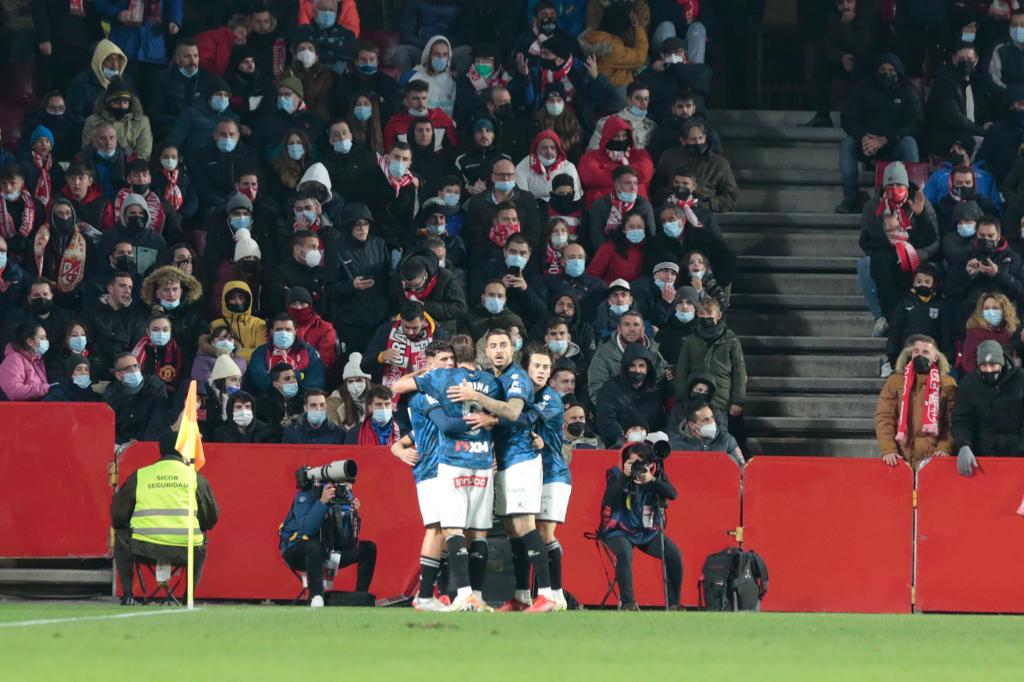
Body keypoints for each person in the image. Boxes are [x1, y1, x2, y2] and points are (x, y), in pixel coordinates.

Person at [446, 330, 559, 612]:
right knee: (511, 529)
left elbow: (513, 411)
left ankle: (548, 595)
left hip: (522, 459)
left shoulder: (517, 377)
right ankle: (523, 595)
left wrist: (477, 398)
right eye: (493, 346)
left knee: (525, 526)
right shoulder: (495, 378)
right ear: (486, 351)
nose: (498, 350)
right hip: (506, 461)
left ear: (513, 350)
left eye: (504, 345)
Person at [111, 430, 219, 606]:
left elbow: (118, 514)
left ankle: (128, 595)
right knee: (202, 537)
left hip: (143, 549)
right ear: (184, 451)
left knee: (121, 534)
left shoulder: (141, 475)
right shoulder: (195, 477)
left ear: (160, 450)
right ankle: (188, 597)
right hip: (185, 550)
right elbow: (211, 518)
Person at [389, 340, 457, 611]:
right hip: (431, 470)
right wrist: (399, 451)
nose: (449, 364)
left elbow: (416, 434)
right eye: (443, 359)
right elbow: (396, 387)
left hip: (448, 468)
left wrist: (398, 448)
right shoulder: (424, 393)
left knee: (446, 531)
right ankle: (425, 595)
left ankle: (437, 593)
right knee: (437, 528)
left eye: (452, 359)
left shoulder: (443, 395)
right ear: (429, 363)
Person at [599, 442, 682, 610]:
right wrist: (625, 476)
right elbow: (609, 499)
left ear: (649, 463)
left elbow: (672, 494)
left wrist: (651, 480)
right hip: (619, 529)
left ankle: (674, 603)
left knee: (674, 555)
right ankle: (628, 602)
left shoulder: (655, 475)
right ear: (626, 462)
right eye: (633, 463)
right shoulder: (616, 474)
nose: (638, 467)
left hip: (647, 531)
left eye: (641, 463)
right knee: (624, 553)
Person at [836, 53, 923, 213]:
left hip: (894, 143)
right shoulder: (862, 88)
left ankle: (911, 198)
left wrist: (885, 139)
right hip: (865, 142)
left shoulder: (908, 92)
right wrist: (862, 136)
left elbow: (915, 123)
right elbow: (848, 117)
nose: (887, 73)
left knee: (909, 143)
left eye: (891, 70)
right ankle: (850, 198)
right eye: (883, 69)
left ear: (898, 72)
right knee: (847, 144)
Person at [279, 466, 377, 607]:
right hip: (296, 550)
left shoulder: (338, 501)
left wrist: (351, 515)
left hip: (325, 551)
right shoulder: (304, 496)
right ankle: (316, 596)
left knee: (368, 548)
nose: (344, 491)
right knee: (314, 546)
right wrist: (322, 502)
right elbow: (307, 529)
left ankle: (360, 596)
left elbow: (346, 544)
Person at [673, 299, 747, 446]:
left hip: (722, 401)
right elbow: (681, 370)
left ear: (719, 315)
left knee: (721, 438)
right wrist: (682, 397)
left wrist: (738, 400)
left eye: (709, 313)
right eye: (701, 313)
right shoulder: (690, 340)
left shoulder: (731, 340)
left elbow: (739, 371)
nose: (705, 316)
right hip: (695, 399)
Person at [876, 334, 957, 469]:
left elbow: (952, 421)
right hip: (900, 458)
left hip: (934, 458)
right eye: (916, 351)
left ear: (935, 357)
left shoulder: (947, 384)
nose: (920, 355)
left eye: (925, 352)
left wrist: (945, 447)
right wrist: (888, 449)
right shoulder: (895, 381)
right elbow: (885, 417)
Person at [952, 340, 1024, 477]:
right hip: (982, 457)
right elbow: (962, 419)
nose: (989, 370)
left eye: (993, 364)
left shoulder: (1021, 380)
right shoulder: (969, 384)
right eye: (983, 365)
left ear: (1002, 362)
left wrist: (1020, 451)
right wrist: (963, 445)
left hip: (1018, 456)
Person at [803, 0, 880, 128]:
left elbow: (863, 49)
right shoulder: (834, 13)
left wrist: (846, 26)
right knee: (822, 61)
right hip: (845, 59)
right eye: (841, 3)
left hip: (868, 62)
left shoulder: (867, 13)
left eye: (849, 1)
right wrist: (841, 57)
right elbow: (827, 44)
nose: (845, 7)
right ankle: (823, 116)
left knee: (860, 65)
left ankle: (856, 115)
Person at [650, 119, 738, 211]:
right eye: (693, 139)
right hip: (673, 210)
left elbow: (731, 197)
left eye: (701, 138)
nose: (698, 142)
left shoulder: (720, 163)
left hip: (705, 212)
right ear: (683, 141)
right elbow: (656, 188)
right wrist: (671, 198)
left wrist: (706, 204)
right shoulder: (669, 157)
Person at [596, 342, 667, 447]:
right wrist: (623, 440)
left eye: (641, 366)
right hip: (617, 447)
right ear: (626, 367)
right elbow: (606, 422)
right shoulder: (609, 389)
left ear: (648, 369)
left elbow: (660, 422)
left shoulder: (654, 392)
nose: (637, 370)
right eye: (632, 366)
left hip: (650, 448)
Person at [885, 264, 952, 371]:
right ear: (914, 282)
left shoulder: (941, 305)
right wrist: (892, 355)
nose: (922, 285)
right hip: (908, 353)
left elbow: (946, 335)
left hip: (931, 356)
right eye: (919, 281)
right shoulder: (905, 302)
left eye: (927, 282)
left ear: (934, 284)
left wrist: (947, 358)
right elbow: (895, 330)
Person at [589, 309, 669, 398]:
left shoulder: (652, 348)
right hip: (617, 408)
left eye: (636, 325)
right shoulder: (604, 353)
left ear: (642, 329)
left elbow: (662, 377)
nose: (632, 329)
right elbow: (597, 391)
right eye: (627, 325)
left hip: (650, 405)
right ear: (619, 329)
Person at [247, 314, 325, 395]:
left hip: (302, 400)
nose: (284, 333)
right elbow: (258, 376)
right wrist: (278, 391)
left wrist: (296, 392)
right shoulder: (261, 352)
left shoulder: (309, 351)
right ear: (271, 332)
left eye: (288, 329)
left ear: (295, 331)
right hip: (270, 399)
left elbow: (317, 378)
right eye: (278, 330)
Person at [104, 352, 170, 445]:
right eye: (127, 368)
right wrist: (123, 442)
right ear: (118, 375)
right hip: (121, 443)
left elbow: (158, 420)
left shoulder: (155, 387)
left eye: (136, 366)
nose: (134, 370)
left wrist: (141, 440)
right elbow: (109, 424)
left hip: (150, 440)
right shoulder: (112, 392)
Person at [669, 401, 745, 464]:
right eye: (705, 420)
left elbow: (741, 468)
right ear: (692, 425)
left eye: (712, 417)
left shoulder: (727, 440)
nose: (712, 422)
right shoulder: (675, 444)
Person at [959, 294, 1018, 374]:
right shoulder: (975, 332)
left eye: (995, 308)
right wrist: (988, 368)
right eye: (986, 308)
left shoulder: (1010, 331)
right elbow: (967, 363)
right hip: (985, 378)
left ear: (1004, 311)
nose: (990, 312)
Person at [0, 322, 50, 401]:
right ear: (30, 341)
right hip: (17, 412)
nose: (46, 341)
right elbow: (14, 392)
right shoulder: (14, 360)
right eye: (42, 338)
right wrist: (44, 388)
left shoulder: (37, 360)